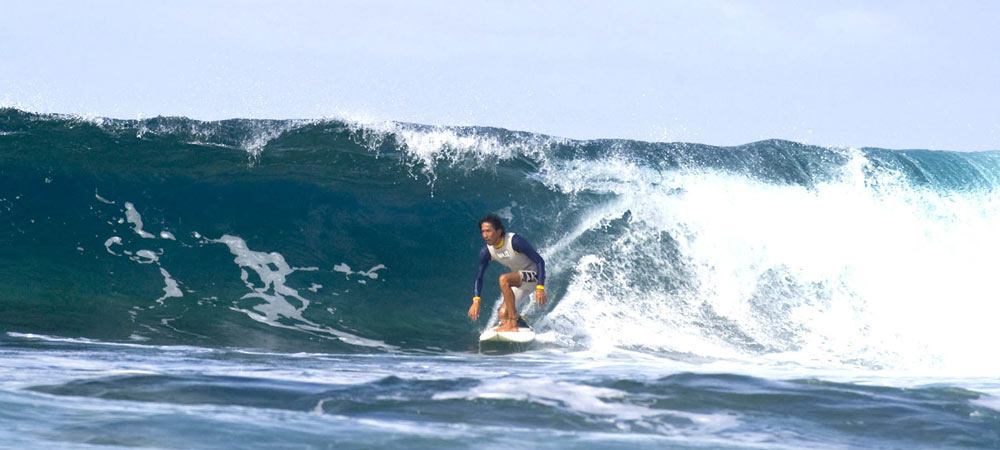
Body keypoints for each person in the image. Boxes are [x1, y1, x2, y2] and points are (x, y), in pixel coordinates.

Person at [468, 214, 547, 332]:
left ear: (499, 231)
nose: (485, 235)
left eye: (488, 231)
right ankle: (520, 322)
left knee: (504, 279)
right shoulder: (486, 251)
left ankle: (513, 324)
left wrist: (540, 288)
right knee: (502, 314)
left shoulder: (514, 241)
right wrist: (476, 301)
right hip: (519, 281)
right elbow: (479, 277)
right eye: (483, 231)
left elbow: (540, 261)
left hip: (534, 276)